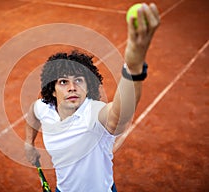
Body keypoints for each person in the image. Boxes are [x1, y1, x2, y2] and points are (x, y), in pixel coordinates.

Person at [24, 3, 160, 192]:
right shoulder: (44, 107)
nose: (72, 88)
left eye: (79, 80)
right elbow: (33, 114)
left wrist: (133, 68)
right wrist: (29, 143)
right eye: (63, 82)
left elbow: (119, 115)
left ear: (88, 87)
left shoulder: (95, 113)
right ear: (52, 90)